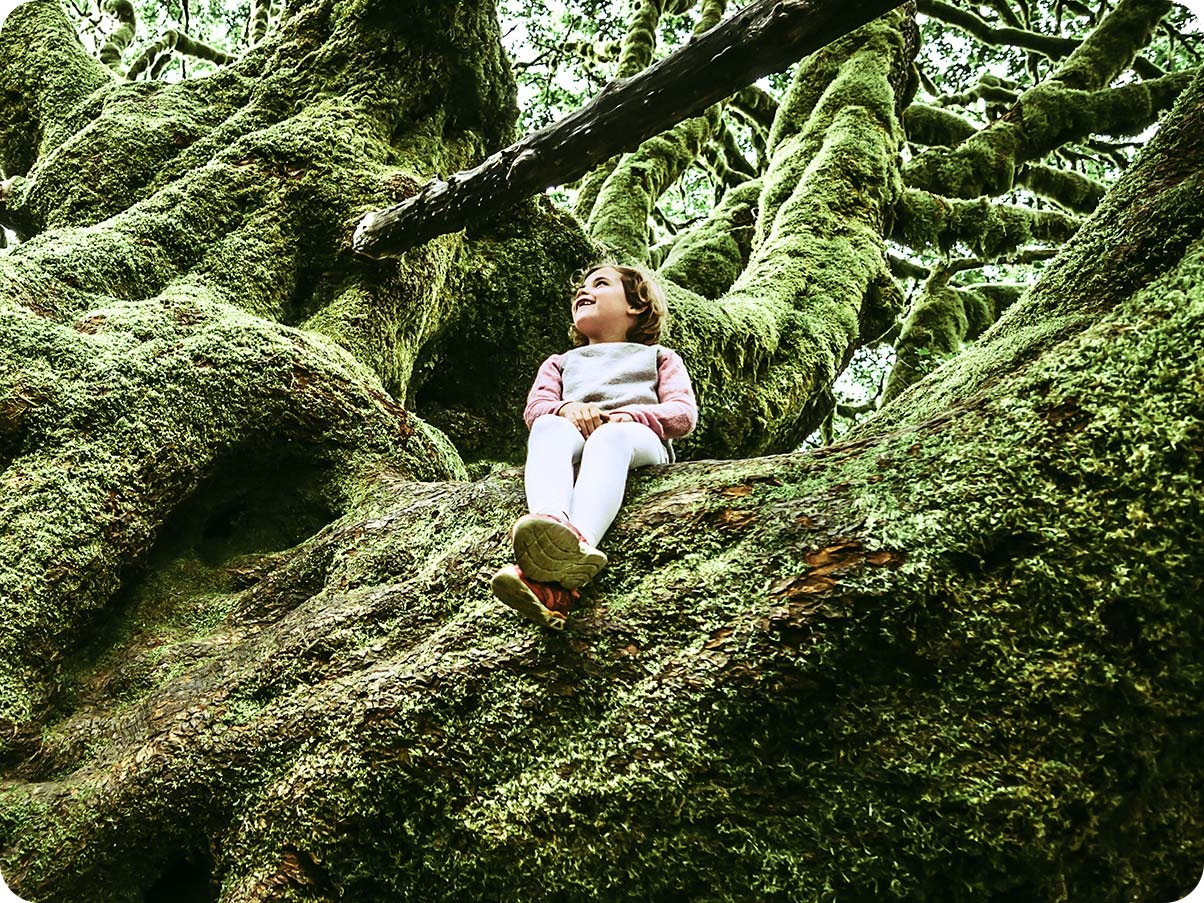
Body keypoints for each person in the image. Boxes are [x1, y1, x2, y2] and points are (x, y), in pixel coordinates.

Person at [491, 263, 698, 630]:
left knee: (609, 438)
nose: (583, 292)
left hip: (635, 440)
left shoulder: (659, 357)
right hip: (576, 434)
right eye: (579, 289)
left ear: (636, 306)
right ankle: (550, 529)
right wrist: (567, 408)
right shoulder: (560, 363)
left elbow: (682, 415)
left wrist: (631, 416)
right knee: (548, 427)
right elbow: (536, 409)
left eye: (600, 284)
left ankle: (579, 541)